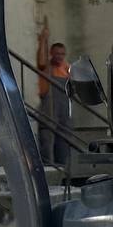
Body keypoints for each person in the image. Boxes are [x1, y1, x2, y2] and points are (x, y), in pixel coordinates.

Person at [35, 18, 71, 166]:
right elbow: (42, 60)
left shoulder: (66, 67)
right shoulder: (46, 66)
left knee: (64, 139)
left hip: (63, 107)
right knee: (47, 137)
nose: (59, 56)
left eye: (62, 54)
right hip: (49, 106)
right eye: (57, 53)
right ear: (51, 53)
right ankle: (48, 168)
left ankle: (63, 170)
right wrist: (43, 39)